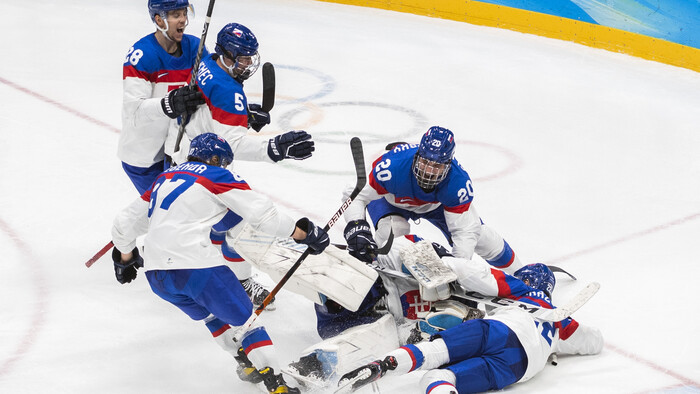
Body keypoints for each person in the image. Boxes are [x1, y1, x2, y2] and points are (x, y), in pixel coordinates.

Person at [111, 133, 329, 393]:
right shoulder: (217, 176)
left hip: (157, 274)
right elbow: (265, 217)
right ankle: (278, 386)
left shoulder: (164, 179)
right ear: (214, 158)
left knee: (212, 317)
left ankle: (246, 364)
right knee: (247, 322)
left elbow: (124, 224)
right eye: (223, 162)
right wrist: (305, 233)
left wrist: (126, 258)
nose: (225, 167)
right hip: (195, 266)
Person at [163, 22, 317, 307]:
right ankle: (243, 283)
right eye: (243, 58)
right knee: (239, 224)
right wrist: (274, 148)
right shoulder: (228, 90)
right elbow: (231, 145)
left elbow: (209, 108)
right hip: (202, 168)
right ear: (226, 55)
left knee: (208, 222)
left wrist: (244, 115)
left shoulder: (206, 62)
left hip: (179, 152)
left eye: (250, 58)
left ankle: (169, 240)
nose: (248, 64)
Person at [337, 263, 604, 394]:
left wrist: (444, 263)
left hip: (498, 330)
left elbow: (480, 275)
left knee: (434, 351)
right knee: (436, 380)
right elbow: (594, 343)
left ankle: (384, 365)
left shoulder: (522, 291)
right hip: (519, 367)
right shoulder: (562, 322)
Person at [342, 126, 524, 275]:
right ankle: (390, 279)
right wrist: (357, 227)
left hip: (434, 205)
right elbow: (354, 194)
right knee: (393, 232)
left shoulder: (457, 183)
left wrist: (457, 270)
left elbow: (465, 232)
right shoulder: (392, 168)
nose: (429, 171)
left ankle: (521, 275)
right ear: (417, 156)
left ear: (449, 164)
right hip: (391, 200)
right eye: (425, 163)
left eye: (437, 166)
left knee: (483, 239)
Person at [119, 0, 206, 195]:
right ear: (159, 20)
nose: (183, 20)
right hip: (145, 158)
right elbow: (134, 111)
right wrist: (170, 103)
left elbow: (213, 86)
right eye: (176, 15)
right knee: (169, 216)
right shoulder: (142, 55)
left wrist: (242, 110)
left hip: (178, 152)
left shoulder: (195, 47)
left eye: (184, 13)